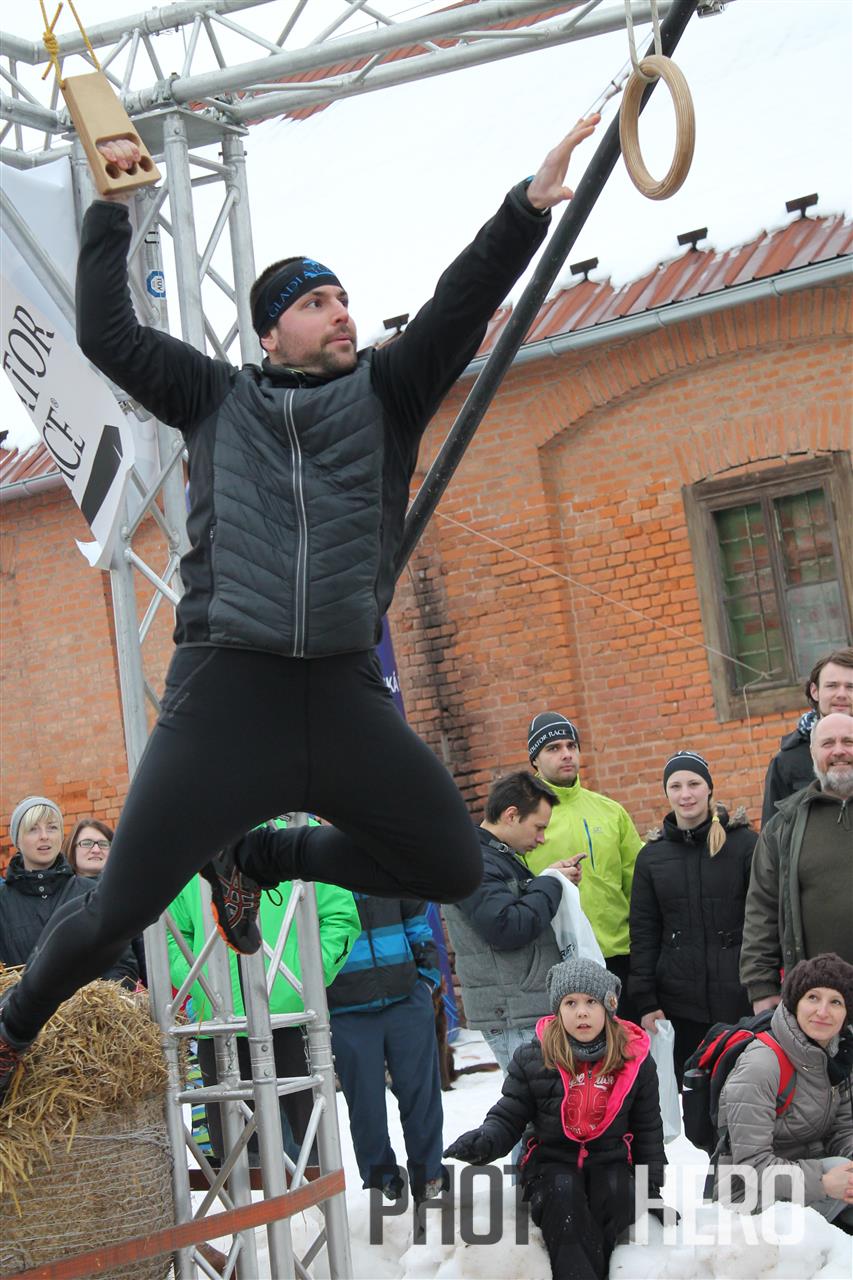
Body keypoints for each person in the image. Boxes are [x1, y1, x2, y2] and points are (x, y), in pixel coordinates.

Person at [0, 115, 602, 1098]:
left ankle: (262, 855)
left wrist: (524, 208)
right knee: (118, 905)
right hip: (224, 690)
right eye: (317, 303)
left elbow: (460, 303)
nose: (341, 314)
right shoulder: (213, 395)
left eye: (345, 299)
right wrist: (111, 213)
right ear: (270, 330)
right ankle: (11, 1028)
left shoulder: (390, 392)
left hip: (341, 689)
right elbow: (106, 335)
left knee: (450, 862)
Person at [444, 958, 665, 1280]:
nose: (581, 1012)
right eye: (570, 1003)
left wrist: (652, 1187)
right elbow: (509, 1113)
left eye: (591, 1002)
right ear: (557, 1010)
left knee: (616, 1194)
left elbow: (648, 1128)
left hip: (612, 1161)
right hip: (551, 1164)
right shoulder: (534, 1057)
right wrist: (485, 1142)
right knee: (563, 1197)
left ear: (609, 1007)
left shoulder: (634, 1060)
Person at [167, 847, 360, 1167]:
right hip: (218, 1026)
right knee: (237, 1161)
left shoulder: (295, 838)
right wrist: (198, 980)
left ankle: (312, 1201)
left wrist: (307, 975)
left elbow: (340, 916)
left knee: (309, 1153)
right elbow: (172, 934)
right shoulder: (189, 848)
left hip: (291, 1020)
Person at [629, 751, 757, 1087]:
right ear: (666, 792)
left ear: (709, 788)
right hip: (681, 1006)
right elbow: (643, 932)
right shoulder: (652, 858)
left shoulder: (743, 844)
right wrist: (646, 1000)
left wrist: (765, 985)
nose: (685, 794)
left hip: (740, 998)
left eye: (694, 784)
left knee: (746, 1090)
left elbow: (764, 919)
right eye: (676, 786)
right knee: (696, 1099)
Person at [442, 771, 577, 1075]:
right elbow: (506, 927)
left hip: (522, 1008)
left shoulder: (493, 856)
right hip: (514, 1014)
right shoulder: (473, 861)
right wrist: (550, 883)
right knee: (537, 1102)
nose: (542, 838)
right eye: (538, 827)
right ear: (511, 815)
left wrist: (546, 879)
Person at [327, 894, 447, 1205]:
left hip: (406, 998)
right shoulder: (317, 874)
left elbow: (417, 920)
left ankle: (430, 1177)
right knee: (365, 1104)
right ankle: (381, 1183)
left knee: (421, 1094)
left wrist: (427, 980)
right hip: (345, 1009)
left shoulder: (389, 867)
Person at [717, 953, 853, 1227]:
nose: (823, 1011)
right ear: (794, 1003)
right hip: (748, 1193)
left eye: (835, 1002)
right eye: (813, 997)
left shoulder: (839, 1055)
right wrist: (823, 1182)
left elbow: (843, 1131)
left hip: (810, 1172)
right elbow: (751, 1166)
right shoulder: (762, 1064)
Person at [525, 712, 643, 1021]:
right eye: (553, 748)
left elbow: (639, 886)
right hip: (557, 961)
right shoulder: (523, 819)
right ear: (534, 759)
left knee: (627, 1047)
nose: (566, 754)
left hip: (617, 955)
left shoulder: (610, 811)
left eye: (571, 746)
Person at [740, 712, 853, 1013]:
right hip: (817, 1003)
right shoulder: (783, 827)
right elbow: (761, 909)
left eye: (848, 741)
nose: (839, 751)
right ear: (813, 754)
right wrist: (761, 986)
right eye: (828, 743)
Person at [0, 797, 137, 988]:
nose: (44, 836)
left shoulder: (92, 893)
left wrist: (98, 999)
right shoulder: (3, 902)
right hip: (25, 1007)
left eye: (52, 827)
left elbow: (121, 965)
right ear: (17, 840)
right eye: (33, 829)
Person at [761, 647, 853, 827]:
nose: (841, 694)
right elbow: (772, 833)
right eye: (832, 686)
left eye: (850, 686)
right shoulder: (787, 761)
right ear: (814, 691)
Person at [64, 816, 147, 984]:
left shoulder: (126, 894)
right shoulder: (60, 894)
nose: (96, 850)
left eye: (103, 844)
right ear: (72, 849)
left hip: (122, 991)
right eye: (87, 843)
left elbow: (144, 953)